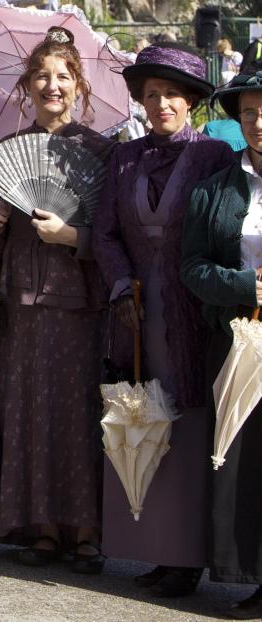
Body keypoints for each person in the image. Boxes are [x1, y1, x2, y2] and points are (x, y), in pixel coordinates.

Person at [92, 43, 235, 597]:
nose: (161, 104)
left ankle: (189, 554)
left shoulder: (213, 160)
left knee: (189, 422)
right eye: (152, 95)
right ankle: (154, 549)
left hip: (193, 308)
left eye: (173, 94)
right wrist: (119, 286)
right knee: (143, 420)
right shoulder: (124, 158)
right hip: (134, 309)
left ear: (193, 101)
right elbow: (104, 232)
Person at [0, 27, 114, 572]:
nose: (51, 85)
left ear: (78, 87)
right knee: (26, 411)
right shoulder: (9, 151)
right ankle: (39, 526)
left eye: (62, 76)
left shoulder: (103, 152)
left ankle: (85, 530)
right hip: (20, 303)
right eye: (41, 76)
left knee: (78, 413)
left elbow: (114, 236)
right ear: (26, 88)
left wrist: (72, 237)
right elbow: (0, 235)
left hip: (77, 305)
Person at [181, 71, 262, 619]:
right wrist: (242, 286)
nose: (259, 123)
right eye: (250, 114)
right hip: (239, 339)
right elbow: (191, 266)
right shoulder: (216, 190)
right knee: (248, 460)